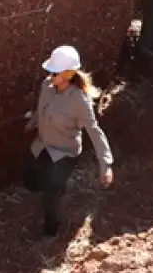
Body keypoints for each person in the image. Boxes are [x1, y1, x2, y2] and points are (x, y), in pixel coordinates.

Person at [24, 46, 114, 237]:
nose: (50, 75)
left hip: (64, 153)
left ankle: (51, 229)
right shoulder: (47, 86)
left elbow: (94, 131)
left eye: (54, 72)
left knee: (51, 193)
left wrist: (105, 164)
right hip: (43, 145)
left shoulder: (80, 102)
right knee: (31, 179)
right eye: (49, 71)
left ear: (68, 74)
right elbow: (41, 110)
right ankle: (55, 186)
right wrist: (33, 122)